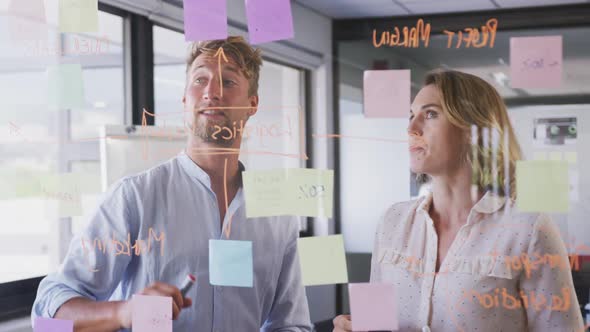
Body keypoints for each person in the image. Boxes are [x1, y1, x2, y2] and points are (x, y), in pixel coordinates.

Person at [32, 36, 312, 332]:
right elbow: (48, 315)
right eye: (200, 79)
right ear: (184, 99)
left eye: (228, 82)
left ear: (252, 104)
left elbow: (290, 324)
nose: (211, 92)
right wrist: (124, 312)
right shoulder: (134, 199)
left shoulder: (278, 216)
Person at [333, 70, 584, 332]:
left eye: (429, 114)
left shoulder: (529, 229)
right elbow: (377, 326)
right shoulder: (392, 221)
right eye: (411, 115)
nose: (411, 128)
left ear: (473, 129)